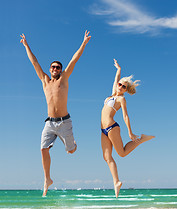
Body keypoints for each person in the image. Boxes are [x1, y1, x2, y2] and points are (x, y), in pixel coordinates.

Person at [20, 31, 91, 196]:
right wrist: (26, 45)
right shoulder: (45, 80)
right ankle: (47, 179)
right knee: (43, 149)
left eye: (58, 67)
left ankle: (73, 145)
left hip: (65, 122)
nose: (55, 69)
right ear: (50, 69)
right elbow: (34, 62)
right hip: (50, 123)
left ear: (60, 70)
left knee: (71, 151)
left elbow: (74, 59)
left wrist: (84, 43)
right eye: (53, 67)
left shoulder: (64, 79)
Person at [101, 59, 155, 198]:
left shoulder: (121, 99)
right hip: (103, 130)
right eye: (120, 85)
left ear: (126, 90)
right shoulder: (113, 94)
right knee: (107, 157)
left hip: (112, 127)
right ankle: (116, 182)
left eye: (123, 86)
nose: (120, 87)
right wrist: (118, 69)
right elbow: (116, 78)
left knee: (122, 153)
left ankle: (141, 139)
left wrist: (130, 132)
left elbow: (125, 115)